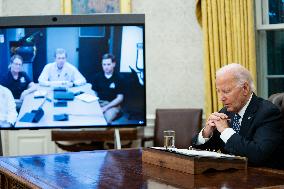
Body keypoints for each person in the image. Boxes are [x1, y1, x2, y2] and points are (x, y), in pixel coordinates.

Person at [192, 63, 284, 169]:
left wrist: (226, 131)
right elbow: (204, 151)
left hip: (264, 179)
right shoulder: (226, 111)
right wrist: (206, 133)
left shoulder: (267, 112)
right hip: (232, 176)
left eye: (226, 91)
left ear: (245, 88)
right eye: (218, 91)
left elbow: (258, 154)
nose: (221, 98)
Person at [92, 53, 124, 124]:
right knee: (91, 117)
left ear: (114, 64)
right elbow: (94, 93)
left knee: (105, 121)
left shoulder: (119, 78)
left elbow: (120, 98)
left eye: (108, 64)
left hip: (112, 105)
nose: (106, 67)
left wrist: (105, 108)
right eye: (104, 64)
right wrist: (95, 104)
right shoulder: (97, 77)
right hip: (100, 102)